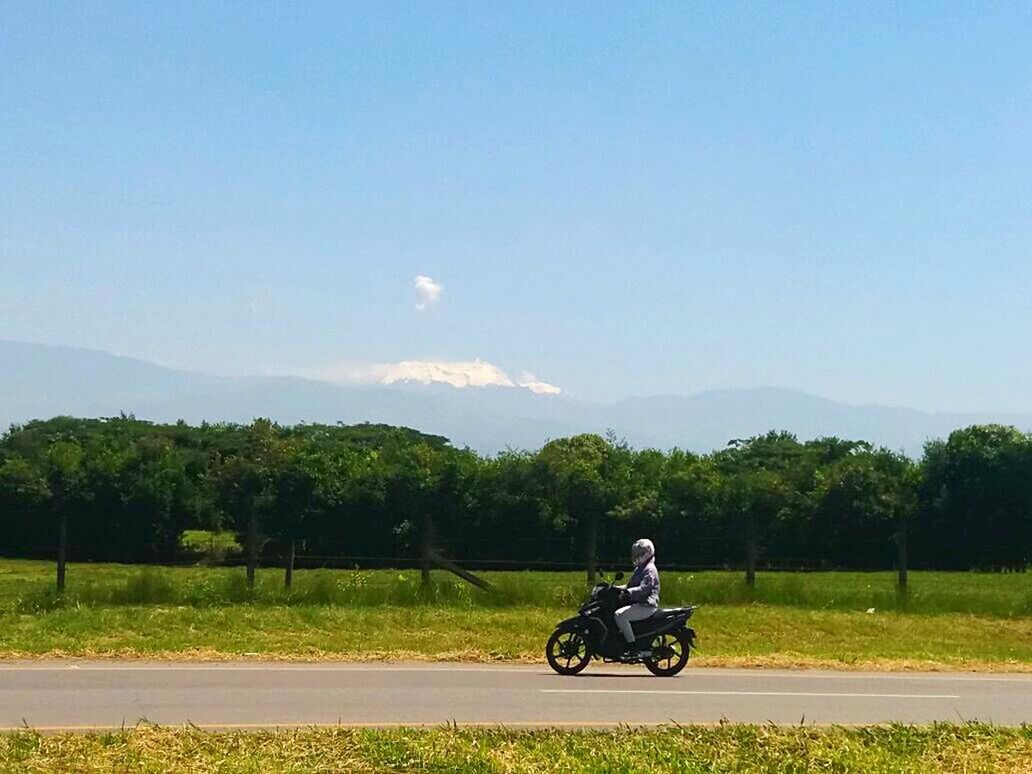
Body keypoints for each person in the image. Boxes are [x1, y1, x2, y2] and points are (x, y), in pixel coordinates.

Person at [614, 538, 659, 656]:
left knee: (619, 615)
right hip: (639, 603)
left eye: (639, 554)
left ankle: (632, 647)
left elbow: (644, 588)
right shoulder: (641, 568)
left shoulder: (649, 570)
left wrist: (628, 592)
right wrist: (614, 589)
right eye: (635, 554)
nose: (636, 557)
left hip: (646, 605)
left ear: (648, 552)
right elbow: (630, 586)